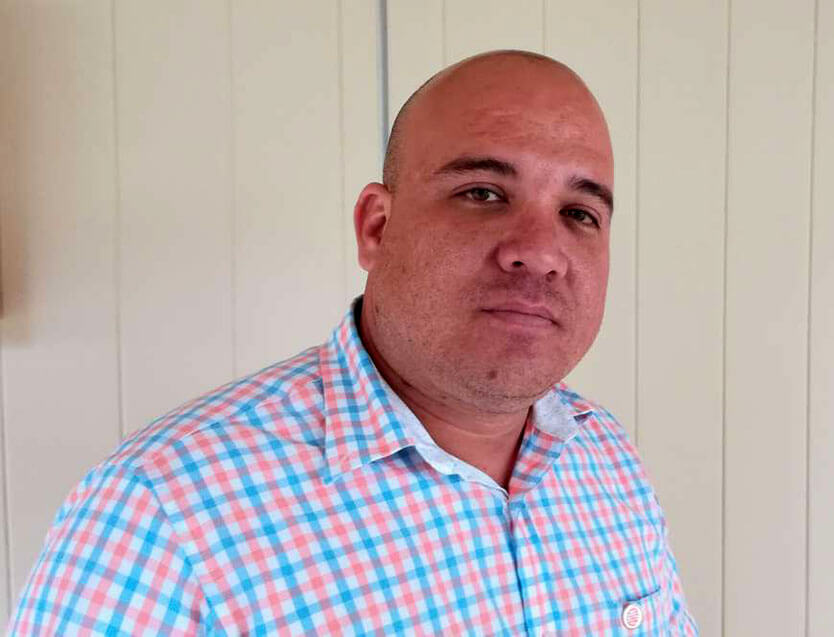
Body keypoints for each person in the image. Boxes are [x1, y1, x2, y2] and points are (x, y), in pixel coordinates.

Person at [9, 50, 697, 635]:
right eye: (483, 193)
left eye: (579, 212)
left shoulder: (605, 457)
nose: (540, 252)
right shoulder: (158, 515)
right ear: (377, 227)